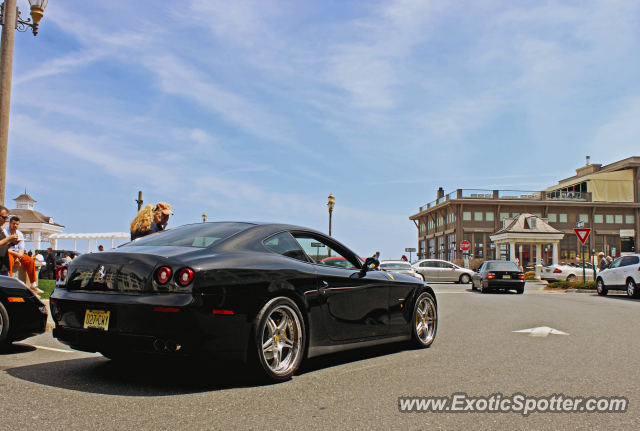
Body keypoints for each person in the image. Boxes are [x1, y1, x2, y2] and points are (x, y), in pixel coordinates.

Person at [3, 216, 43, 294]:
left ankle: (33, 285)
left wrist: (19, 255)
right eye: (13, 223)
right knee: (9, 260)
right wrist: (16, 254)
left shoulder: (20, 234)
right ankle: (9, 284)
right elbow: (4, 248)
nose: (15, 225)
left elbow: (22, 247)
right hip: (8, 252)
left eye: (17, 224)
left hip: (17, 253)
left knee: (30, 261)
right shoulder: (4, 232)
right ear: (10, 224)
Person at [0, 206, 20, 277]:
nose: (5, 220)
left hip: (3, 267)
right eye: (4, 217)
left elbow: (3, 247)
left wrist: (11, 243)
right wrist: (8, 239)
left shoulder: (1, 230)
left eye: (6, 218)